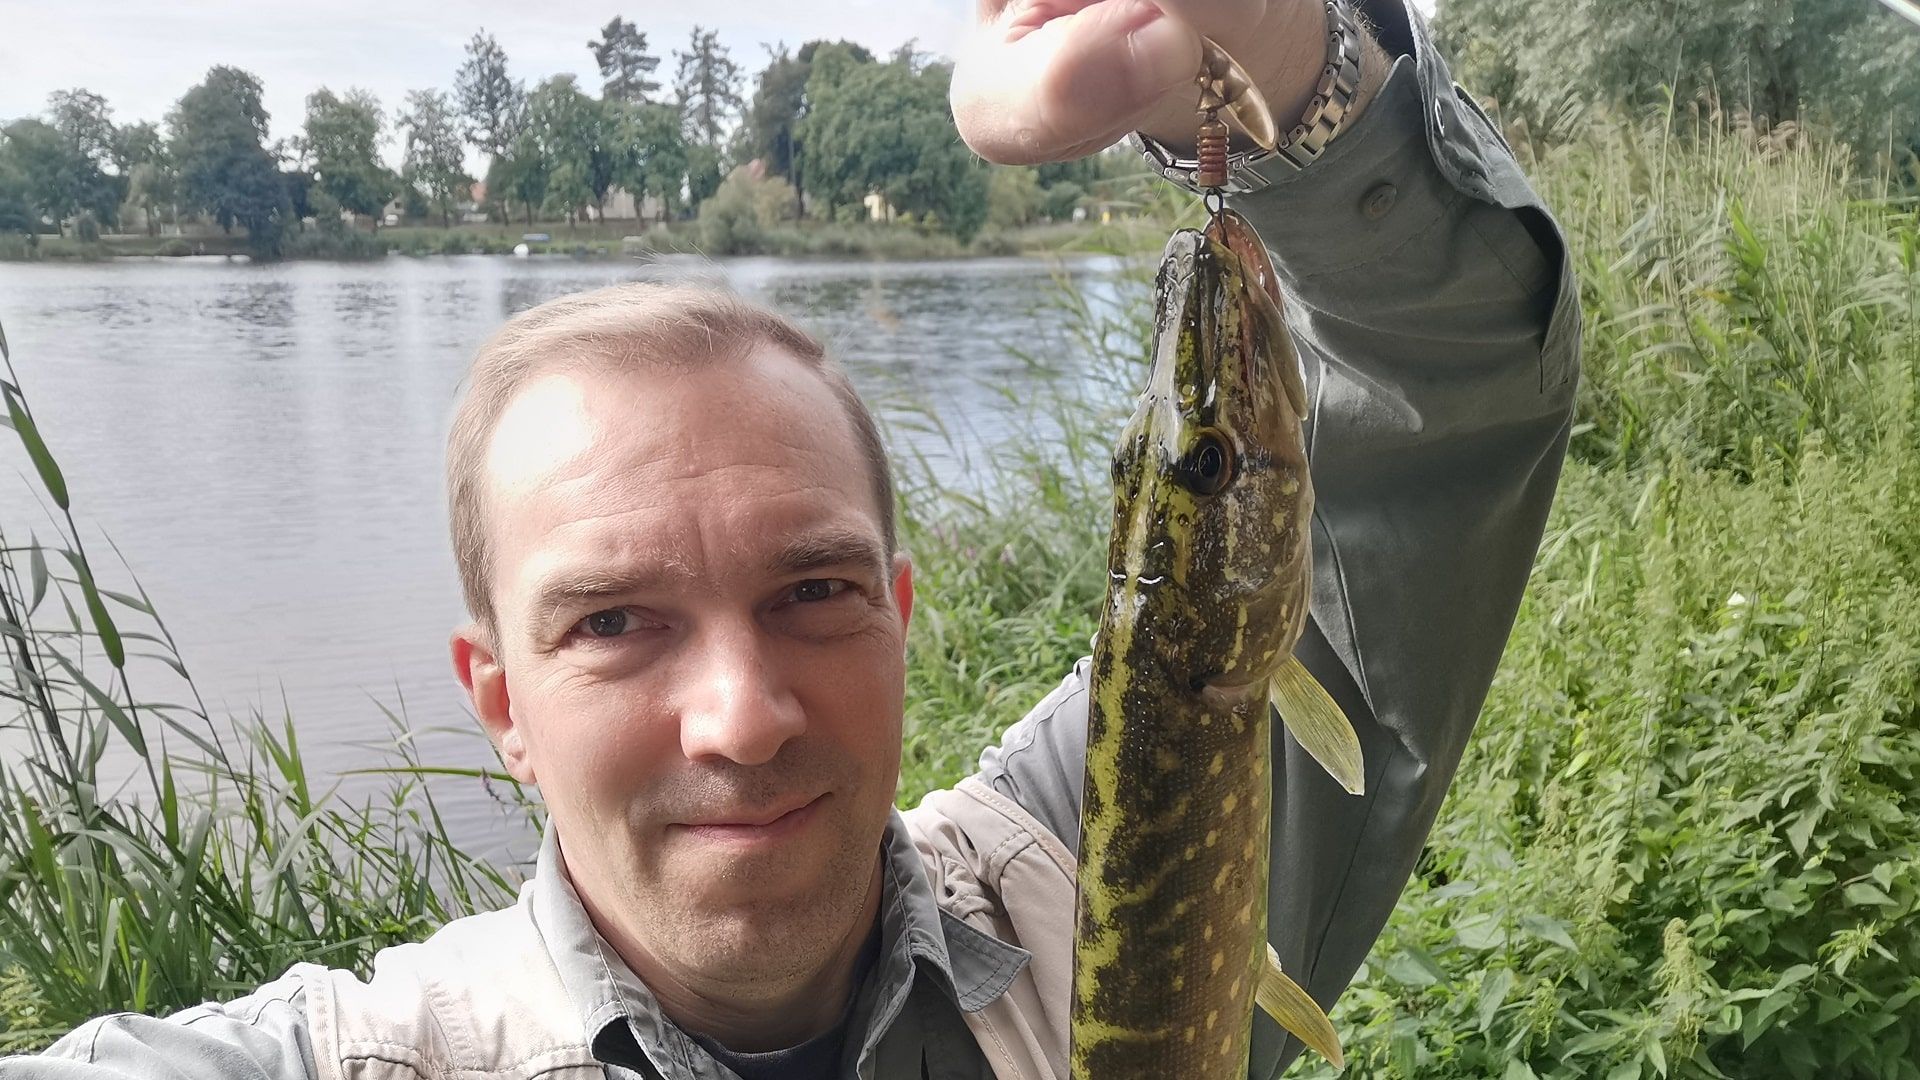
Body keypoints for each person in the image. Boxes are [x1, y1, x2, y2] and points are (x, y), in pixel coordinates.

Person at [2, 0, 1580, 1076]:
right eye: (612, 623)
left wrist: (1290, 65)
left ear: (900, 613)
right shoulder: (371, 1057)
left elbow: (1441, 399)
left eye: (814, 589)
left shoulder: (1093, 869)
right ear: (501, 707)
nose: (743, 717)